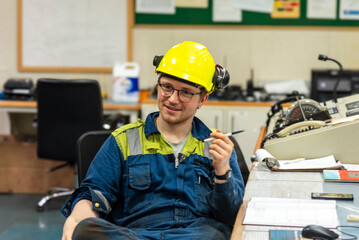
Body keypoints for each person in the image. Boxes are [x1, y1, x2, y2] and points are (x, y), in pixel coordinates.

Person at [61, 41, 245, 240]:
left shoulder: (217, 148)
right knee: (86, 230)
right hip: (136, 236)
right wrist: (77, 219)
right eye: (167, 87)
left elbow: (232, 216)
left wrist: (222, 173)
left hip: (194, 235)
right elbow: (93, 194)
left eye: (185, 92)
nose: (173, 99)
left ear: (202, 99)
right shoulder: (123, 140)